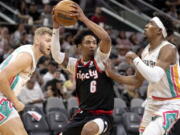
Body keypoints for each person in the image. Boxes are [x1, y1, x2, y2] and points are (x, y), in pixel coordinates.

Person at [104, 13, 180, 135]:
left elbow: (154, 77)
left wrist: (136, 59)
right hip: (152, 103)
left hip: (171, 103)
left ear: (159, 31)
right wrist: (112, 74)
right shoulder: (146, 51)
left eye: (151, 24)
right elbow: (136, 81)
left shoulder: (169, 49)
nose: (146, 26)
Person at [51, 3, 114, 135]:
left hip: (102, 116)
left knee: (88, 130)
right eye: (88, 42)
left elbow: (106, 38)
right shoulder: (76, 65)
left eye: (94, 43)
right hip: (82, 114)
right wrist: (56, 27)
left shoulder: (100, 60)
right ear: (79, 47)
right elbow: (56, 55)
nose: (92, 45)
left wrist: (83, 18)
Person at [0, 27, 52, 135]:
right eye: (47, 40)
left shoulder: (29, 52)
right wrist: (15, 101)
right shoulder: (27, 57)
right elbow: (1, 77)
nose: (50, 44)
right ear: (37, 40)